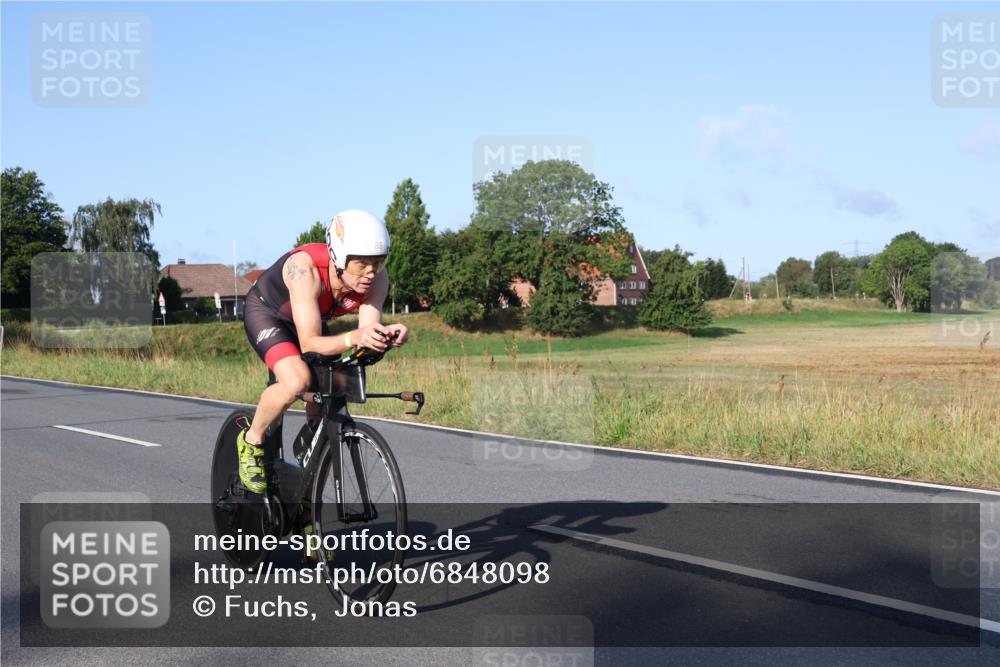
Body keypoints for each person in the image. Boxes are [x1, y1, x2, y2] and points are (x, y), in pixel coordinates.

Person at [238, 209, 408, 493]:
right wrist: (356, 336)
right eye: (361, 264)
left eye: (377, 263)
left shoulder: (377, 279)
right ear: (340, 258)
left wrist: (387, 336)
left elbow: (365, 334)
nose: (370, 273)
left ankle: (310, 455)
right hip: (268, 314)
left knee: (336, 383)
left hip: (309, 320)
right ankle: (251, 440)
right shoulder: (304, 269)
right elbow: (310, 343)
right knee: (297, 380)